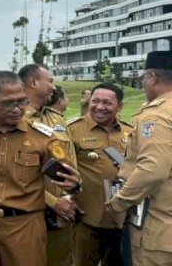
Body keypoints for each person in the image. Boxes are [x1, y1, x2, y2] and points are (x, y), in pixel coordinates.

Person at [0, 71, 81, 266]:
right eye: (8, 103)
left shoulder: (42, 137)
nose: (17, 109)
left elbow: (67, 178)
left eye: (22, 101)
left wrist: (73, 186)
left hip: (25, 227)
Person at [108, 50, 172, 265]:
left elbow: (152, 171)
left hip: (159, 231)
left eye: (144, 78)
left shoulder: (157, 115)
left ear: (152, 77)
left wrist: (119, 203)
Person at [19, 63, 78, 266]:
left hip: (63, 215)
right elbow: (13, 175)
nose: (54, 87)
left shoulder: (56, 119)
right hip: (30, 215)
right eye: (50, 81)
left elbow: (70, 163)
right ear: (33, 82)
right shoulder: (14, 120)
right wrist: (54, 203)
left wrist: (68, 199)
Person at [68, 83, 132, 266]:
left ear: (120, 107)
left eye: (107, 103)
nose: (100, 107)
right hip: (88, 218)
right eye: (95, 101)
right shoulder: (72, 130)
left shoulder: (131, 132)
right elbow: (59, 171)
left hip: (123, 220)